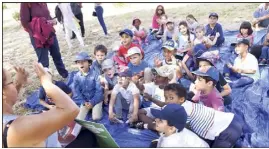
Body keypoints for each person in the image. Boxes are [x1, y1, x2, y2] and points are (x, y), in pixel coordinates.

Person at [3, 63, 79, 147]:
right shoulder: (17, 128)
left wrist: (18, 84)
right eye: (11, 82)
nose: (14, 83)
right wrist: (46, 82)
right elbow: (71, 110)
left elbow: (7, 101)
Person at [149, 83, 243, 148]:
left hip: (227, 130)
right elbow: (165, 106)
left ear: (181, 99)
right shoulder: (181, 105)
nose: (167, 101)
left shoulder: (182, 112)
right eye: (166, 98)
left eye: (171, 98)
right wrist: (151, 99)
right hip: (230, 122)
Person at [20, 3, 68, 78]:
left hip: (49, 32)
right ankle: (47, 82)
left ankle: (64, 74)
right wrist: (38, 27)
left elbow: (47, 16)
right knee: (43, 62)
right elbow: (24, 23)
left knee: (57, 54)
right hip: (38, 38)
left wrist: (51, 21)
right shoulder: (26, 3)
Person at [134, 65, 173, 130]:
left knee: (164, 120)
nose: (155, 77)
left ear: (167, 79)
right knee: (139, 112)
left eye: (159, 76)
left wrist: (151, 98)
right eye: (156, 75)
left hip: (164, 112)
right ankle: (155, 126)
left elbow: (164, 105)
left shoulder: (171, 90)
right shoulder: (154, 85)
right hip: (154, 109)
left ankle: (150, 126)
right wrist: (137, 83)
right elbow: (143, 87)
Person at [72, 52, 104, 121]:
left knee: (96, 117)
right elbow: (77, 91)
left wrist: (92, 102)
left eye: (83, 61)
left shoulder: (95, 74)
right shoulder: (76, 77)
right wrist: (83, 102)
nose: (81, 64)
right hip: (85, 100)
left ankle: (97, 107)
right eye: (78, 62)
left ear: (89, 63)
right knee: (79, 119)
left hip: (96, 99)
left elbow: (99, 91)